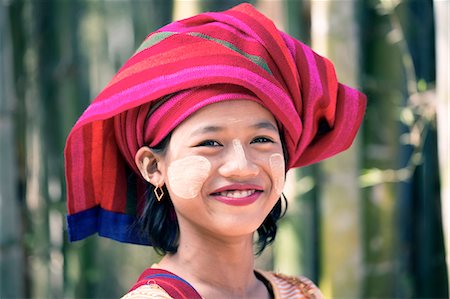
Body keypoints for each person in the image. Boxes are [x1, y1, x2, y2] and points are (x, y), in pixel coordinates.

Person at [64, 3, 366, 299]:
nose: (242, 166)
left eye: (261, 140)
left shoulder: (303, 292)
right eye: (210, 143)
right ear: (153, 167)